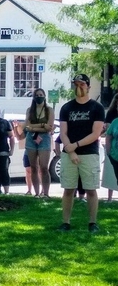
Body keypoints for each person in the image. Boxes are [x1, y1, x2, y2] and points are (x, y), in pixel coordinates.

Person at [58, 73, 105, 233]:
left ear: (88, 86)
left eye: (82, 84)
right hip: (68, 154)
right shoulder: (66, 107)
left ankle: (92, 223)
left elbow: (95, 133)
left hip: (89, 153)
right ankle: (66, 223)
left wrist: (75, 146)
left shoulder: (97, 108)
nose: (79, 87)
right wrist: (70, 151)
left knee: (91, 189)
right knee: (68, 189)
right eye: (76, 85)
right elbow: (63, 132)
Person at [24, 88, 54, 197]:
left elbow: (49, 128)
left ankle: (45, 193)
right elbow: (26, 126)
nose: (39, 96)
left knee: (44, 167)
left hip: (44, 139)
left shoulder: (49, 110)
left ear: (45, 96)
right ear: (33, 97)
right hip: (31, 138)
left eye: (41, 94)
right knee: (33, 167)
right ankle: (36, 193)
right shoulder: (29, 110)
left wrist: (34, 127)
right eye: (37, 95)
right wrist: (42, 125)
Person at [103, 93, 118, 202]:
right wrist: (108, 151)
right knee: (111, 174)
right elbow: (108, 132)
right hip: (114, 151)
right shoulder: (112, 115)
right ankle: (109, 197)